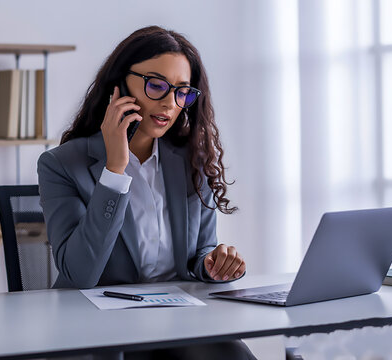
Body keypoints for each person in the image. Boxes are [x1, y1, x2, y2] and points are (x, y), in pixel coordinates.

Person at [37, 26, 255, 359]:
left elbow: (199, 252)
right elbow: (80, 274)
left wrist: (212, 264)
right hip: (99, 326)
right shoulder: (62, 165)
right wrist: (115, 169)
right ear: (120, 84)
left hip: (178, 320)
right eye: (156, 85)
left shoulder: (190, 161)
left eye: (182, 92)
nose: (170, 103)